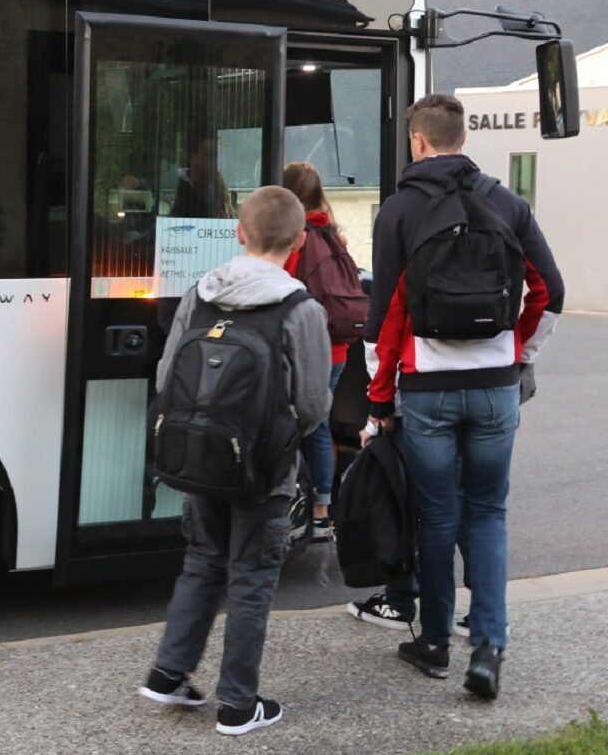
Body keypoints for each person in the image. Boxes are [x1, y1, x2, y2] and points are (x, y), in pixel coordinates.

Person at [355, 93, 562, 700]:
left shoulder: (398, 212)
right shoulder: (507, 202)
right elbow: (551, 290)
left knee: (437, 515)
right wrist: (517, 353)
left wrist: (378, 400)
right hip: (496, 389)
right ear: (462, 139)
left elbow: (384, 316)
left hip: (427, 391)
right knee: (489, 513)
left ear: (418, 141)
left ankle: (436, 642)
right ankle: (489, 647)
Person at [138, 185, 332, 736]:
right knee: (251, 576)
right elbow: (314, 403)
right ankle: (239, 706)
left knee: (202, 560)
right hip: (265, 469)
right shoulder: (300, 309)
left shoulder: (200, 294)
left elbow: (165, 375)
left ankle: (168, 673)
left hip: (201, 458)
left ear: (238, 233)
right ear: (297, 242)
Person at [278, 161, 353, 540]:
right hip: (336, 350)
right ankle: (322, 510)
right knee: (319, 426)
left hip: (303, 348)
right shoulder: (334, 235)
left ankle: (288, 503)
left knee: (290, 423)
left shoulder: (295, 238)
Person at [170, 135, 238, 219]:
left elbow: (228, 216)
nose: (214, 162)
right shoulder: (174, 185)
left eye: (217, 156)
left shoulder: (219, 186)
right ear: (191, 157)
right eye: (209, 155)